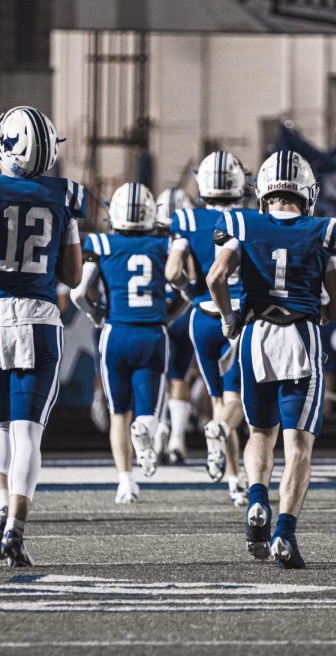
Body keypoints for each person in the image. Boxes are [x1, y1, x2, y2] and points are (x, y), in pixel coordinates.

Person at [0, 105, 86, 567]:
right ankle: (16, 526)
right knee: (29, 433)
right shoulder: (64, 196)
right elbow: (72, 274)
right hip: (41, 318)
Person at [206, 149, 336, 568]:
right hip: (300, 337)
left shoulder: (242, 224)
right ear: (306, 193)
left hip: (255, 337)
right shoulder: (324, 231)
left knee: (260, 432)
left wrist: (231, 318)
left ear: (263, 191)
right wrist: (317, 314)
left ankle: (256, 500)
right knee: (299, 445)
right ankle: (285, 532)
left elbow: (216, 277)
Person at [73, 182, 171, 503]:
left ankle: (125, 482)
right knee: (149, 413)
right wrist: (172, 311)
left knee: (119, 413)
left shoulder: (101, 243)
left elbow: (78, 293)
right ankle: (145, 433)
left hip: (115, 333)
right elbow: (182, 286)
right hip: (152, 332)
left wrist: (96, 314)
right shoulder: (163, 246)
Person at [165, 150, 251, 506]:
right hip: (240, 316)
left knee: (217, 402)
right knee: (237, 402)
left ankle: (234, 480)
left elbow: (172, 273)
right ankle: (231, 466)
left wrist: (189, 291)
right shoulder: (250, 219)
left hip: (201, 315)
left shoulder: (186, 218)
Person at [154, 187, 195, 464]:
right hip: (184, 313)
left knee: (156, 377)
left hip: (157, 315)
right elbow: (193, 276)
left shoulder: (150, 241)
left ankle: (160, 432)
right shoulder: (191, 238)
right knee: (179, 375)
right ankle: (178, 436)